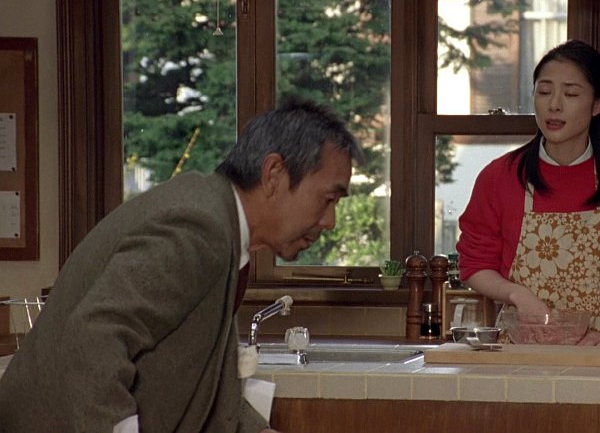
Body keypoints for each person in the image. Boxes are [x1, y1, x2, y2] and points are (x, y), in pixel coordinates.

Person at [0, 97, 364, 432]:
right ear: (274, 174)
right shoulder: (199, 227)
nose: (330, 221)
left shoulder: (222, 229)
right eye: (328, 199)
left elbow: (213, 398)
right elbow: (93, 338)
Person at [456, 40, 600, 346]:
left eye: (571, 94)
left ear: (598, 104)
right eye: (544, 92)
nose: (554, 105)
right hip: (519, 356)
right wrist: (517, 294)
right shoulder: (500, 177)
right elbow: (475, 264)